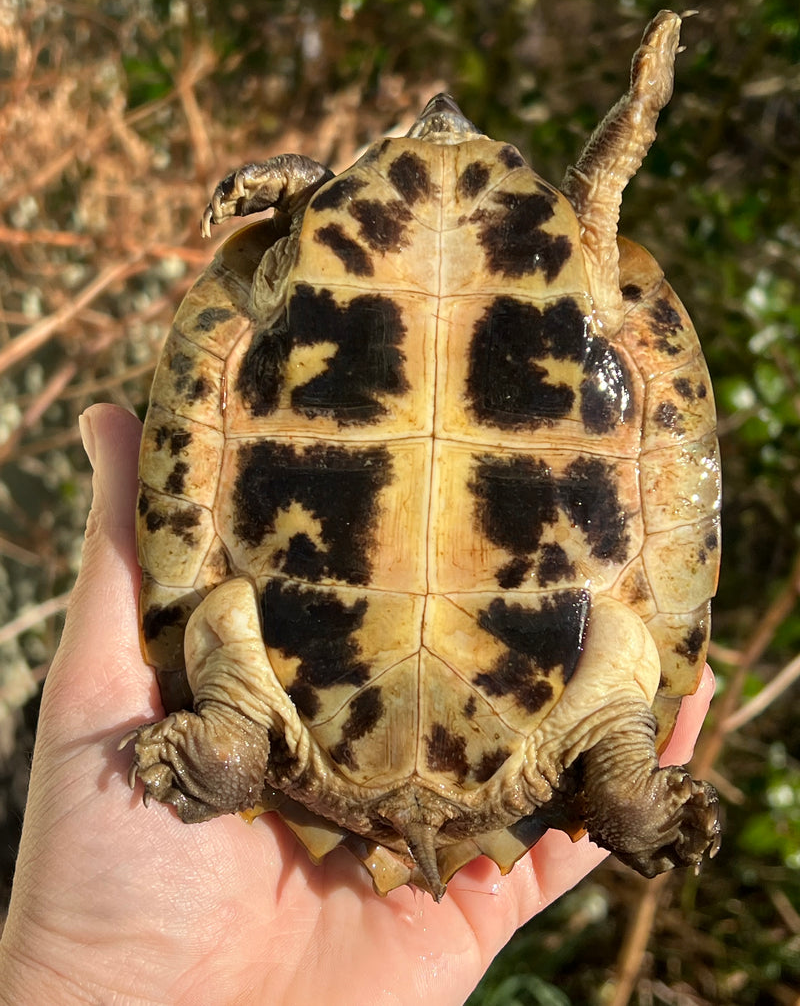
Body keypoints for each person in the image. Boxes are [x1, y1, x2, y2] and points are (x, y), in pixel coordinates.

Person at [0, 404, 716, 1006]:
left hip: (299, 724)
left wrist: (87, 982)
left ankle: (234, 738)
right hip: (531, 750)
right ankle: (617, 768)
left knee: (224, 637)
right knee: (623, 664)